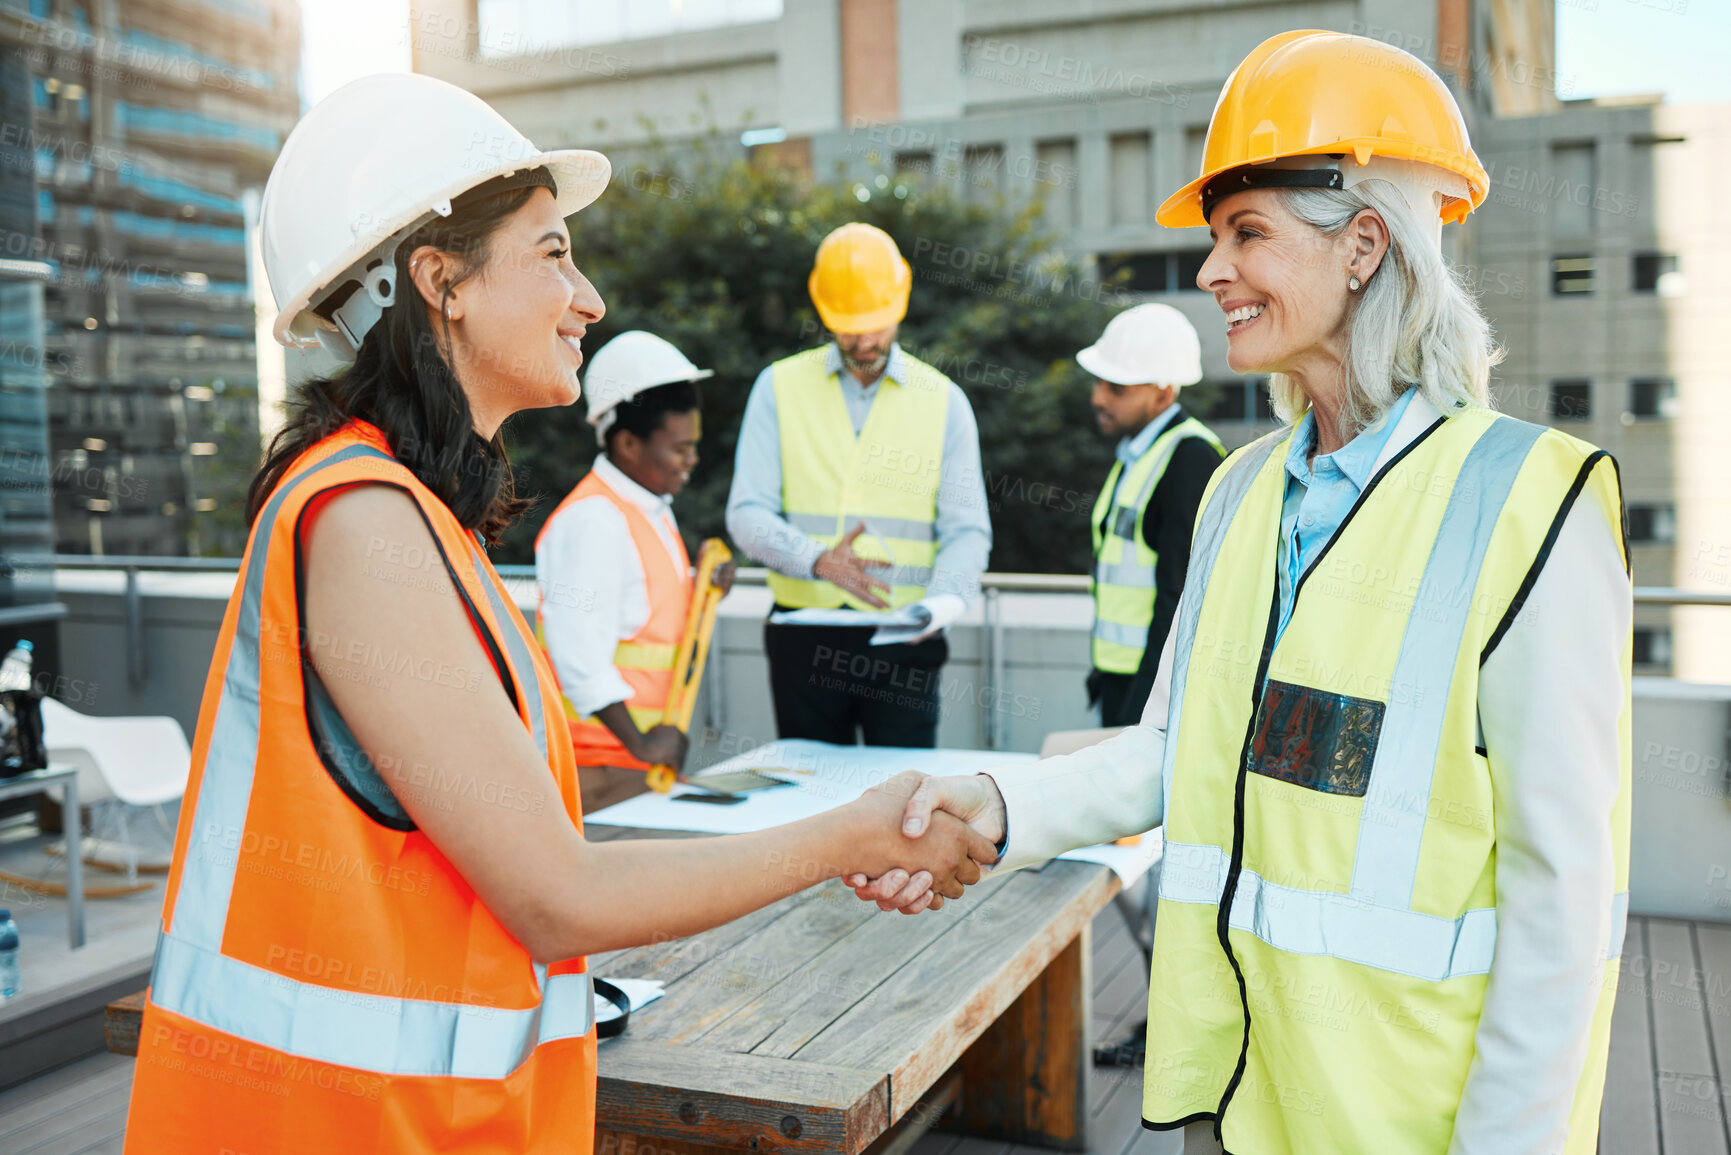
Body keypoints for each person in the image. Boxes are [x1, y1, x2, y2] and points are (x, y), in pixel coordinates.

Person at [122, 74, 995, 1155]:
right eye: (552, 254)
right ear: (439, 282)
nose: (588, 299)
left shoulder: (412, 516)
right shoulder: (361, 522)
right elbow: (557, 895)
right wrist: (851, 832)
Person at [851, 30, 1630, 1155]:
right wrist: (996, 804)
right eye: (1218, 238)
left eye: (1246, 234)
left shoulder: (1532, 502)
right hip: (1237, 1109)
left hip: (1418, 1128)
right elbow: (1177, 748)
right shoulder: (1240, 491)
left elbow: (1566, 898)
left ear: (1365, 244)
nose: (1212, 271)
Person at [726, 223, 991, 748]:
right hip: (803, 634)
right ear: (823, 311)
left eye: (874, 325)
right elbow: (746, 513)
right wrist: (818, 560)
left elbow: (969, 533)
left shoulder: (945, 401)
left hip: (906, 637)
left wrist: (939, 606)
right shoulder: (777, 388)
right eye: (849, 327)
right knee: (812, 804)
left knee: (902, 808)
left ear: (900, 305)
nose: (864, 340)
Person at [535, 330, 734, 813]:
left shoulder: (648, 508)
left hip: (631, 764)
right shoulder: (595, 521)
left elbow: (640, 618)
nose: (692, 460)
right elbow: (577, 655)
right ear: (627, 443)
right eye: (679, 448)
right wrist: (640, 744)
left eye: (694, 446)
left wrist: (703, 592)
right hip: (597, 771)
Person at [1080, 303, 1224, 728]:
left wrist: (1141, 710)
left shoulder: (1189, 459)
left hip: (1149, 695)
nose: (1098, 398)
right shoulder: (1136, 455)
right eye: (1100, 383)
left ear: (1163, 394)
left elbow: (1178, 596)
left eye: (1116, 388)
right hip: (1119, 681)